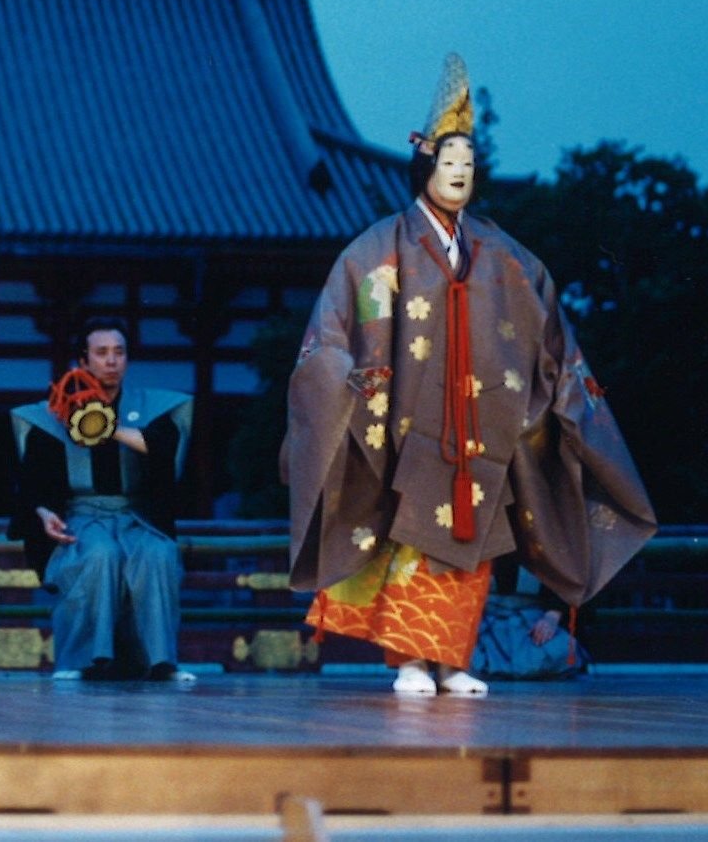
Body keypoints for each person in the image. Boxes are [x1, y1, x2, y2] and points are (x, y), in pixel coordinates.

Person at [281, 53, 655, 695]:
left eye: (468, 167)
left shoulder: (506, 257)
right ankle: (408, 660)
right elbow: (332, 333)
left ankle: (452, 659)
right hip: (407, 419)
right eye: (448, 165)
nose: (459, 176)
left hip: (484, 422)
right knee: (412, 541)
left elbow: (547, 334)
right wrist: (351, 381)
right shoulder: (378, 249)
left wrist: (556, 395)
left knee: (475, 542)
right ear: (425, 167)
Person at [10, 317, 194, 681]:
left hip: (136, 516)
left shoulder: (152, 406)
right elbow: (31, 485)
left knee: (157, 555)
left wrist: (107, 427)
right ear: (84, 361)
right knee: (97, 554)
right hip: (82, 516)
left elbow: (161, 451)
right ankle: (80, 661)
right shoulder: (51, 415)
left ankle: (158, 662)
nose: (111, 361)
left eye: (119, 352)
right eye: (101, 353)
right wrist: (44, 514)